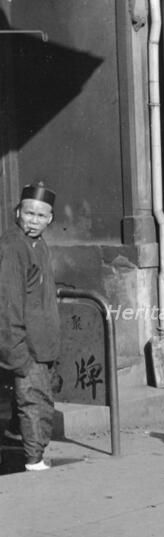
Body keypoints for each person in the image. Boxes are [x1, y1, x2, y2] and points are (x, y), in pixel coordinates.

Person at [0, 182, 60, 470]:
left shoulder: (38, 244)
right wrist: (18, 355)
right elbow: (7, 305)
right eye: (29, 214)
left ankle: (24, 453)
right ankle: (34, 463)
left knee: (37, 403)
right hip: (27, 348)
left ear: (50, 219)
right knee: (34, 404)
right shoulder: (13, 247)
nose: (33, 221)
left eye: (40, 216)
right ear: (17, 213)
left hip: (42, 344)